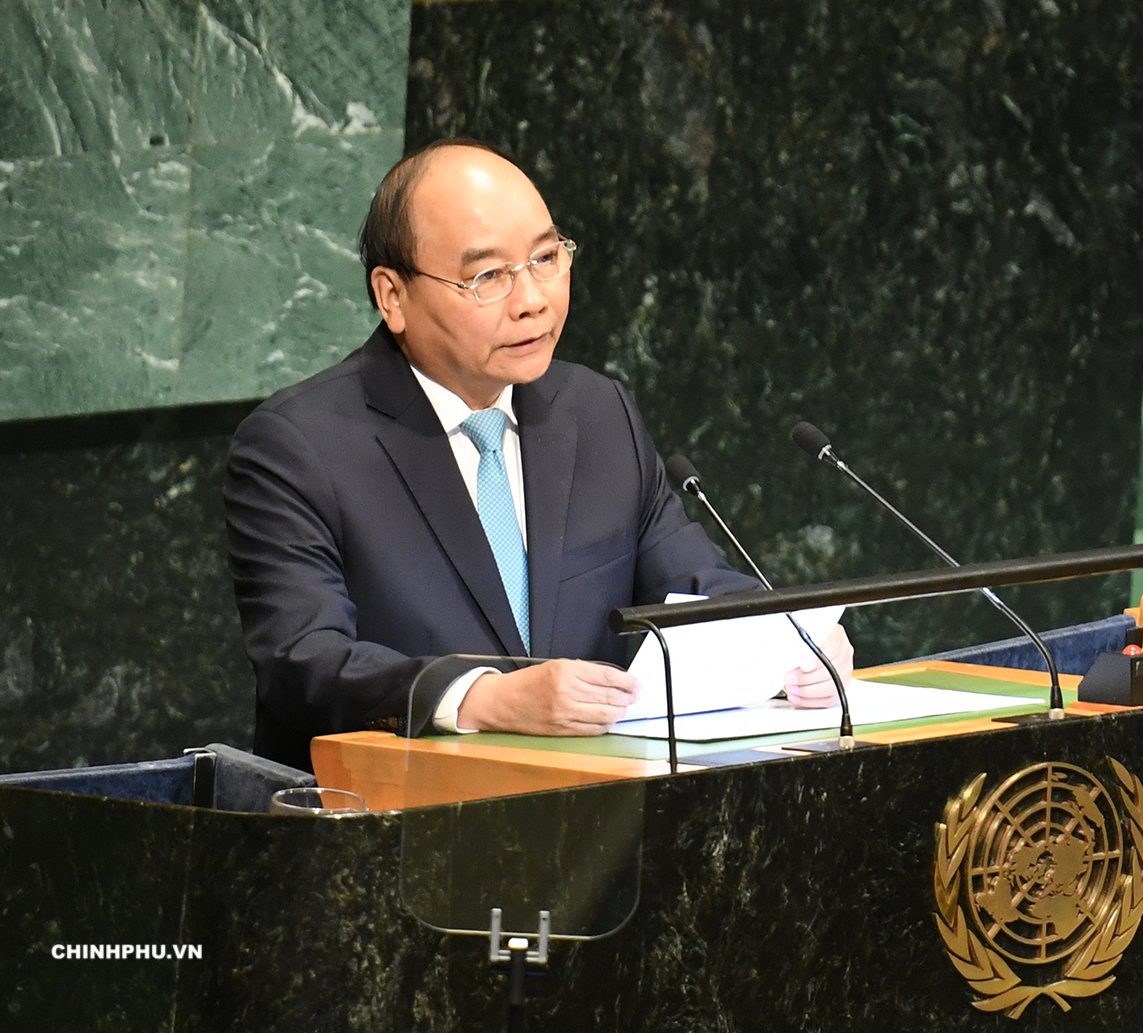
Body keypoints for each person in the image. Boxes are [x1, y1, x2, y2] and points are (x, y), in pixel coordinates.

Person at [224, 138, 854, 770]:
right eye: (488, 277)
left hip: (593, 809)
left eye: (547, 258)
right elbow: (304, 660)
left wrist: (792, 642)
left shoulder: (597, 413)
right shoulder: (300, 445)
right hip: (391, 812)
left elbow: (693, 585)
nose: (533, 300)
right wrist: (487, 699)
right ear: (393, 296)